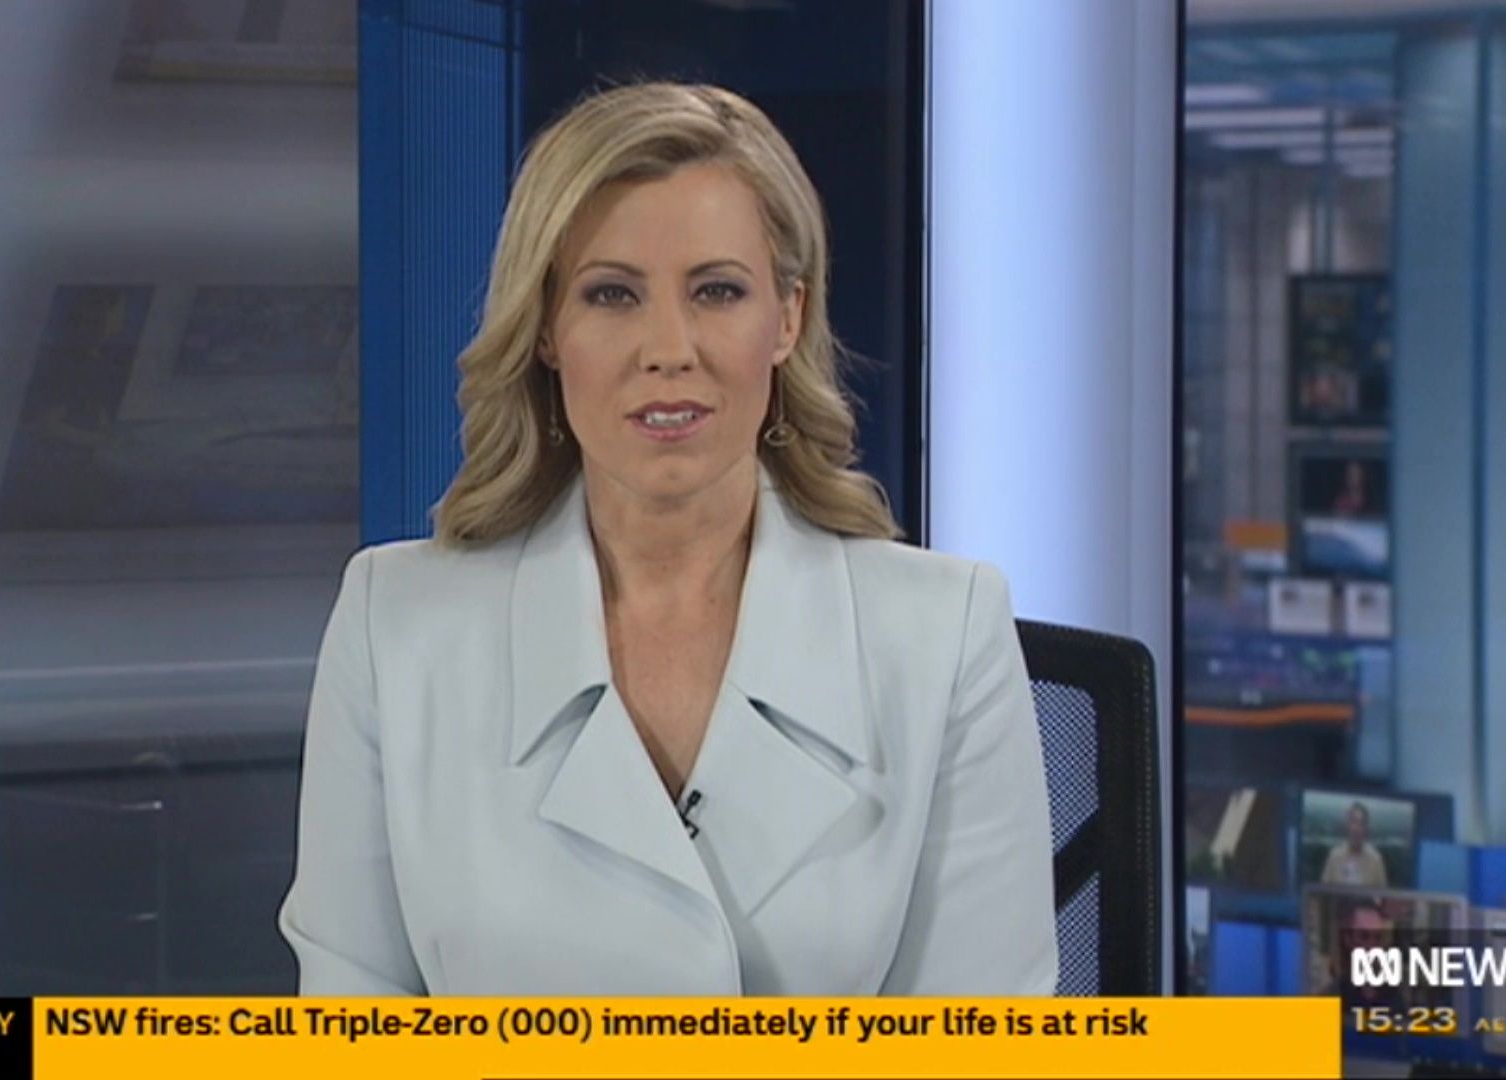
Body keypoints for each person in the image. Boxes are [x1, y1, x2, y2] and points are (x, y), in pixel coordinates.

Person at [276, 81, 1057, 996]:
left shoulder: (945, 636)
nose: (669, 348)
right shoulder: (396, 626)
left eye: (717, 291)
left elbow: (983, 1034)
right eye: (612, 294)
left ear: (788, 318)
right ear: (547, 329)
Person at [1320, 801, 1389, 888]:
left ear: (1366, 828)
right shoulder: (1334, 856)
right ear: (1348, 825)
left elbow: (1383, 893)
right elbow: (1322, 890)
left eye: (1362, 823)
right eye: (1354, 822)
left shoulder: (1376, 860)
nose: (1357, 828)